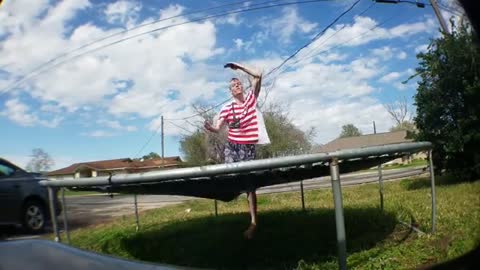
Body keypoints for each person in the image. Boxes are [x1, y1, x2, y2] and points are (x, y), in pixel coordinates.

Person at [204, 62, 266, 239]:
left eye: (238, 83)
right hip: (233, 147)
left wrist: (237, 66)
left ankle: (253, 223)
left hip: (248, 148)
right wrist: (210, 127)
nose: (237, 86)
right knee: (231, 178)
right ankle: (227, 194)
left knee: (250, 186)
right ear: (230, 91)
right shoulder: (226, 108)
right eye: (233, 85)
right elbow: (218, 128)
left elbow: (258, 75)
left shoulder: (250, 100)